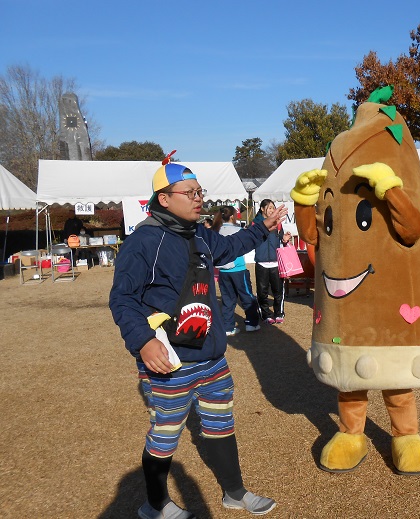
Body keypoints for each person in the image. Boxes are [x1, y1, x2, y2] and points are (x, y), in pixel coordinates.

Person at [109, 162, 286, 518]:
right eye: (190, 193)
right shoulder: (143, 241)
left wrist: (261, 228)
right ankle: (155, 504)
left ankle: (234, 493)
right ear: (164, 198)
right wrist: (143, 341)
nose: (198, 199)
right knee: (166, 433)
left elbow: (230, 246)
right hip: (170, 363)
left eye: (200, 192)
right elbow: (122, 298)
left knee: (221, 424)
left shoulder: (199, 234)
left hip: (212, 357)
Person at [212, 206, 261, 336]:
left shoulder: (216, 231)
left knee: (227, 300)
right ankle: (251, 323)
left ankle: (228, 327)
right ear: (233, 216)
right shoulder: (238, 230)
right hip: (238, 269)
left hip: (223, 271)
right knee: (247, 296)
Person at [252, 199, 291, 324]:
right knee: (262, 291)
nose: (272, 210)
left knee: (278, 290)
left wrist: (285, 239)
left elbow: (281, 240)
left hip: (276, 262)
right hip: (261, 262)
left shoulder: (278, 224)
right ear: (262, 209)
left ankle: (279, 313)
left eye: (273, 208)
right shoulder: (255, 224)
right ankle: (266, 315)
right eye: (269, 208)